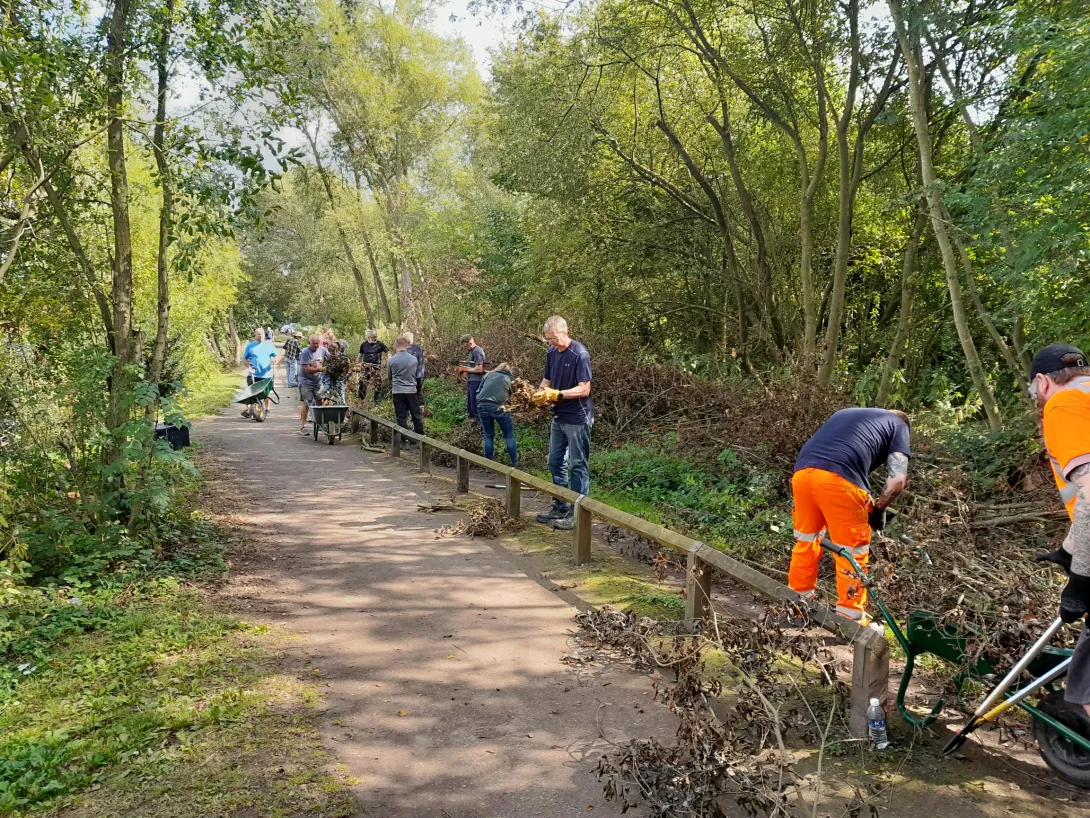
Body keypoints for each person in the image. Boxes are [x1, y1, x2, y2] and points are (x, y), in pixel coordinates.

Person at [788, 408, 911, 622]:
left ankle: (797, 608)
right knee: (852, 551)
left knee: (806, 541)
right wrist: (880, 509)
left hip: (803, 474)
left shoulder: (846, 413)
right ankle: (849, 620)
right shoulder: (899, 424)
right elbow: (897, 480)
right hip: (840, 480)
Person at [1027, 344, 1090, 715]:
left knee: (1086, 693)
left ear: (1042, 381)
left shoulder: (1063, 404)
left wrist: (1080, 579)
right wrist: (1070, 548)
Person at [532, 316, 593, 531]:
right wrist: (539, 395)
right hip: (558, 417)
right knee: (554, 462)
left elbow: (584, 388)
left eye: (553, 338)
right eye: (547, 339)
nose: (550, 342)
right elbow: (546, 381)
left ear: (564, 332)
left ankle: (579, 515)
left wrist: (557, 395)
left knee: (578, 465)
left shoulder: (580, 354)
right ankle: (561, 506)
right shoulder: (551, 353)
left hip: (577, 417)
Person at [476, 362, 519, 466]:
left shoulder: (488, 375)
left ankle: (488, 465)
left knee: (488, 435)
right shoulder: (510, 378)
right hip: (499, 407)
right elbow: (515, 397)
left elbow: (478, 392)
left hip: (482, 405)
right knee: (509, 435)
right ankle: (515, 463)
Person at [388, 335, 424, 438]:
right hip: (411, 391)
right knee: (416, 416)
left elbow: (390, 377)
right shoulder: (414, 359)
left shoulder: (392, 360)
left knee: (401, 417)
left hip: (398, 392)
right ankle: (420, 439)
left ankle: (405, 441)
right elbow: (416, 375)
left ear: (396, 346)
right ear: (406, 345)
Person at [298, 334, 329, 435]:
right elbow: (307, 369)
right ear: (309, 343)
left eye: (317, 343)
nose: (316, 345)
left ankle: (319, 422)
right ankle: (303, 426)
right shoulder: (305, 352)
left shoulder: (323, 350)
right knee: (307, 403)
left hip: (317, 381)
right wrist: (321, 369)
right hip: (305, 381)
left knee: (319, 401)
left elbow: (330, 359)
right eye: (313, 343)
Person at [242, 328, 278, 418]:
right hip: (253, 374)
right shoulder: (250, 346)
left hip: (266, 374)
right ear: (255, 335)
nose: (260, 336)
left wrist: (275, 360)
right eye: (258, 334)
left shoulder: (269, 345)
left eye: (262, 334)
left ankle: (267, 409)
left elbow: (276, 356)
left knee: (266, 392)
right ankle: (251, 410)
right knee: (251, 392)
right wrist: (249, 367)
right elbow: (244, 359)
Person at [459, 334, 486, 422]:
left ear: (470, 343)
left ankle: (481, 427)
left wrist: (465, 369)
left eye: (466, 346)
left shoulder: (477, 351)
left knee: (475, 405)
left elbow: (479, 369)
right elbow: (472, 367)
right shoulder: (471, 351)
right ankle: (473, 426)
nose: (465, 348)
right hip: (472, 381)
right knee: (470, 406)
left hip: (477, 381)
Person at [357, 329, 388, 402]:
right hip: (365, 368)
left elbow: (388, 352)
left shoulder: (380, 344)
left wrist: (386, 361)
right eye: (373, 337)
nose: (375, 338)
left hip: (376, 368)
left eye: (376, 336)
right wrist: (357, 364)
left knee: (378, 384)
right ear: (368, 337)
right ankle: (361, 401)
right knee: (362, 384)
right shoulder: (363, 345)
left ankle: (377, 402)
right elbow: (360, 355)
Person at [405, 331, 426, 398]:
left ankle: (413, 407)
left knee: (412, 395)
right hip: (421, 374)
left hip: (412, 376)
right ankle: (420, 406)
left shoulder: (406, 349)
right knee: (418, 393)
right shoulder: (418, 347)